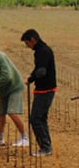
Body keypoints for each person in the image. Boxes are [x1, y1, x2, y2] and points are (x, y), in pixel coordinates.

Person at [21, 29, 57, 157]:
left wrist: (31, 79)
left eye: (27, 43)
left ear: (33, 40)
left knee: (36, 119)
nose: (27, 46)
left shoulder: (43, 52)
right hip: (45, 89)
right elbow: (39, 69)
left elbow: (41, 72)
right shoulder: (41, 50)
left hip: (45, 90)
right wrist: (31, 76)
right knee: (41, 118)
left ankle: (45, 148)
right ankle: (46, 147)